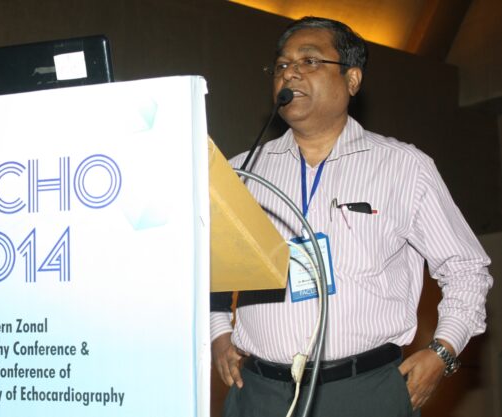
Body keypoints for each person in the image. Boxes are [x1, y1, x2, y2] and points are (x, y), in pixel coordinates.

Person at [210, 16, 493, 417]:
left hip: (365, 392)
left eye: (309, 61)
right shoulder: (243, 171)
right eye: (282, 64)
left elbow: (466, 268)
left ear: (353, 79)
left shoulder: (404, 167)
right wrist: (218, 333)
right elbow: (210, 267)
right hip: (258, 392)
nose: (289, 72)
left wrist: (443, 351)